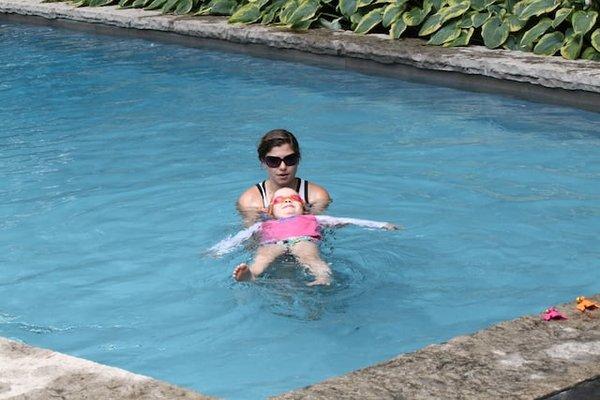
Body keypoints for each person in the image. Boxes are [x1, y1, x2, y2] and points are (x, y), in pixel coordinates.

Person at [209, 188, 397, 286]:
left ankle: (323, 277)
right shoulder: (263, 224)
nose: (288, 201)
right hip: (271, 243)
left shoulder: (314, 218)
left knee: (310, 257)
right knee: (262, 257)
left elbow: (347, 220)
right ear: (271, 211)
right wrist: (218, 251)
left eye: (294, 199)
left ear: (304, 208)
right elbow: (241, 236)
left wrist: (381, 225)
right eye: (280, 201)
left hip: (303, 240)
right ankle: (251, 275)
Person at [237, 129, 331, 226]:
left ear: (298, 159)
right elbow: (253, 238)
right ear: (263, 162)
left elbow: (316, 230)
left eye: (290, 159)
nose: (283, 167)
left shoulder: (317, 196)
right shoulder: (250, 201)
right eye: (274, 161)